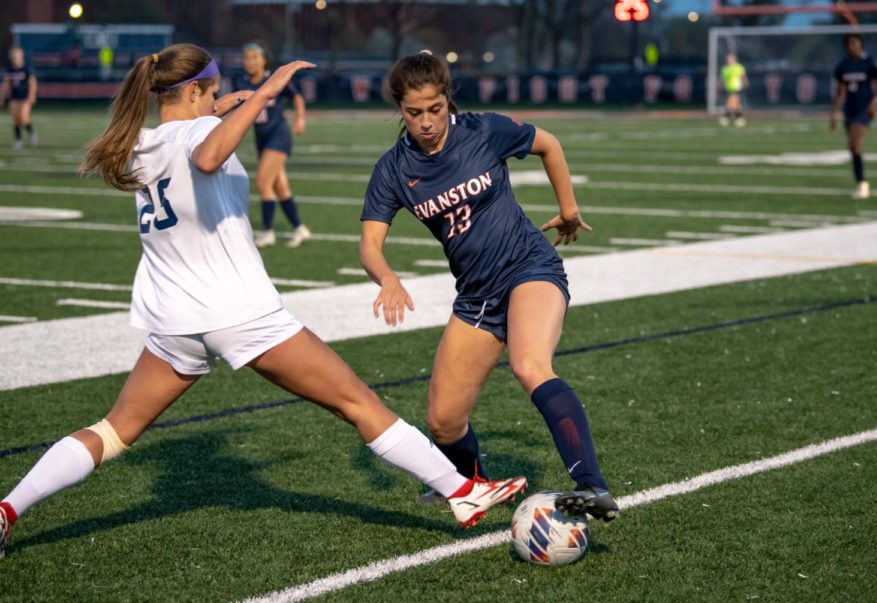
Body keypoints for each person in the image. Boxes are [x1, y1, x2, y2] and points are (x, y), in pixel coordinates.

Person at [0, 44, 526, 559]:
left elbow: (190, 146)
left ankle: (9, 508)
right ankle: (463, 491)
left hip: (174, 318)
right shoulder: (204, 132)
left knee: (113, 430)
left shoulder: (141, 142)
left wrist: (220, 111)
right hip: (238, 311)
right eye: (215, 91)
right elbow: (205, 154)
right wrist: (265, 93)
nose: (221, 98)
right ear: (195, 91)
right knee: (357, 402)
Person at [358, 51, 618, 523]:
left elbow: (549, 144)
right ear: (399, 108)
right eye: (414, 113)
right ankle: (472, 485)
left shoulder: (483, 131)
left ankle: (592, 486)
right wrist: (388, 277)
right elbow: (369, 246)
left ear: (448, 99)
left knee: (529, 363)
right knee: (443, 420)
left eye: (435, 109)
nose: (427, 122)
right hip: (476, 295)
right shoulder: (392, 170)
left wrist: (568, 208)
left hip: (529, 268)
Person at [233, 42, 311, 248]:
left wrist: (300, 118)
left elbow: (297, 97)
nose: (249, 61)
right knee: (280, 187)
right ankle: (300, 228)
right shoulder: (241, 81)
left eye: (254, 57)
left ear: (263, 60)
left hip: (279, 136)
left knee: (262, 182)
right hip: (262, 139)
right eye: (246, 57)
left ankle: (267, 232)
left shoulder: (272, 80)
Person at [830, 33, 877, 200]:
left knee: (854, 142)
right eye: (849, 44)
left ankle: (862, 183)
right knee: (854, 148)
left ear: (861, 45)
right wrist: (834, 113)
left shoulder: (869, 63)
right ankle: (860, 182)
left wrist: (873, 103)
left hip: (864, 110)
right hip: (850, 109)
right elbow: (840, 92)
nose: (851, 47)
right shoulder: (843, 66)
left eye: (854, 43)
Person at [1, 46, 38, 149]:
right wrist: (2, 97)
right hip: (14, 97)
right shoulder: (9, 69)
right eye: (13, 55)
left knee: (24, 118)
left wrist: (32, 95)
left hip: (25, 97)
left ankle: (32, 133)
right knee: (16, 120)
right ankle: (18, 140)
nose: (15, 57)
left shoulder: (27, 68)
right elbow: (6, 85)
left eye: (17, 55)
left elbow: (32, 83)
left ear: (21, 55)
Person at [719, 53, 748, 127]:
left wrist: (746, 84)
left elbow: (743, 76)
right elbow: (722, 79)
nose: (729, 60)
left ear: (734, 60)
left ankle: (725, 117)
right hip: (728, 88)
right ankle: (739, 118)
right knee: (734, 105)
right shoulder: (725, 69)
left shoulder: (739, 67)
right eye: (728, 59)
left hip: (737, 87)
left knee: (731, 104)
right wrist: (719, 86)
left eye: (731, 59)